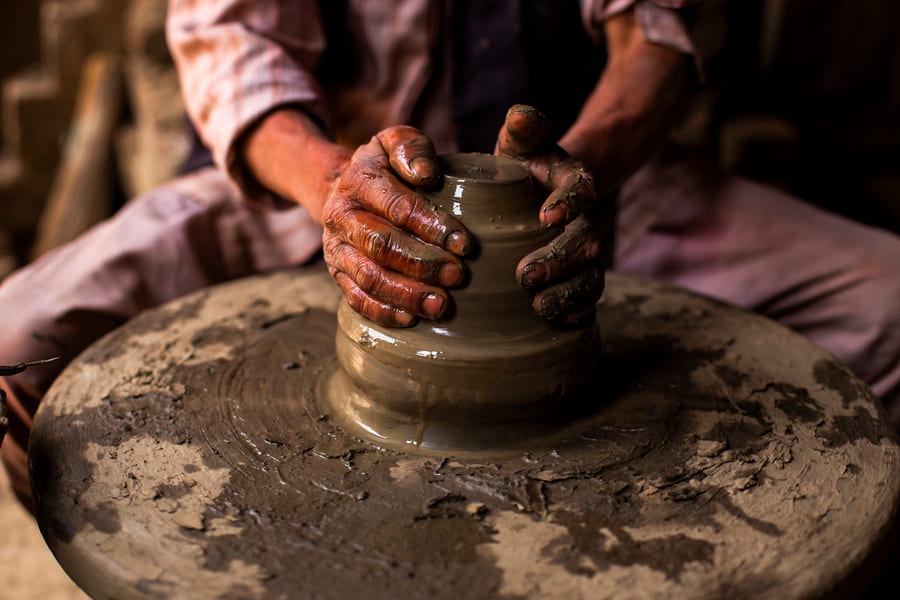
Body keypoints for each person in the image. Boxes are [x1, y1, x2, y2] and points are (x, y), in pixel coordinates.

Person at [0, 0, 898, 513]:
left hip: (579, 184)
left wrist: (590, 168)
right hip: (325, 184)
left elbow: (654, 31)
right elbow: (235, 47)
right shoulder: (334, 190)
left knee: (888, 304)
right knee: (14, 344)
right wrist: (336, 197)